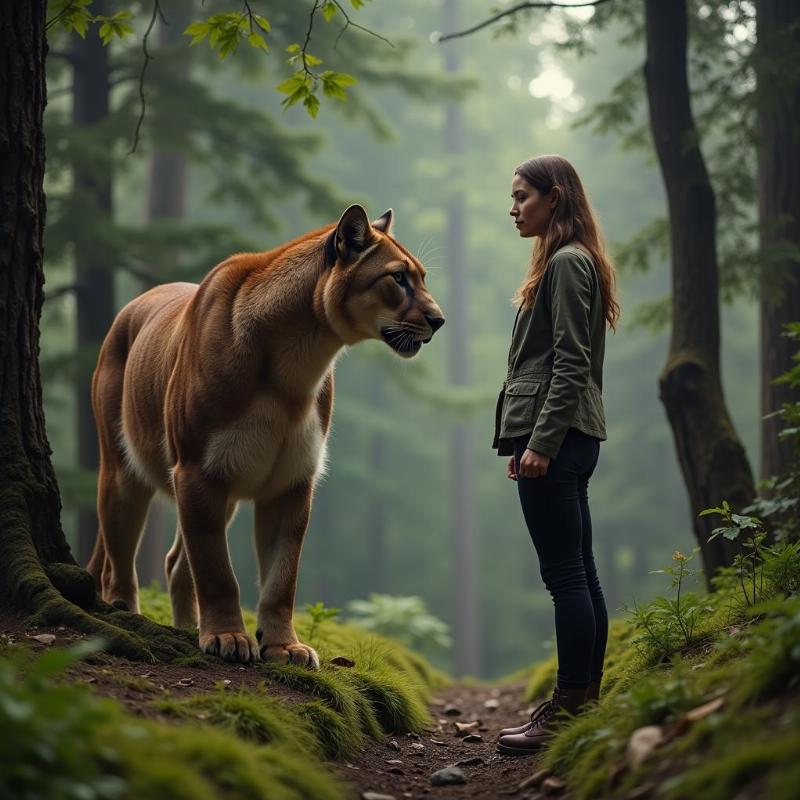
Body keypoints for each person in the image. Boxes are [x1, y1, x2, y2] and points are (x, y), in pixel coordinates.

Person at [492, 154, 621, 756]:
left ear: (556, 196)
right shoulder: (571, 260)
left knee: (565, 575)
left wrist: (539, 443)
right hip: (573, 435)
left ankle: (568, 710)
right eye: (513, 197)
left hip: (558, 438)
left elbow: (570, 362)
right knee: (580, 570)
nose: (513, 207)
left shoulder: (568, 263)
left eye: (523, 196)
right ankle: (582, 702)